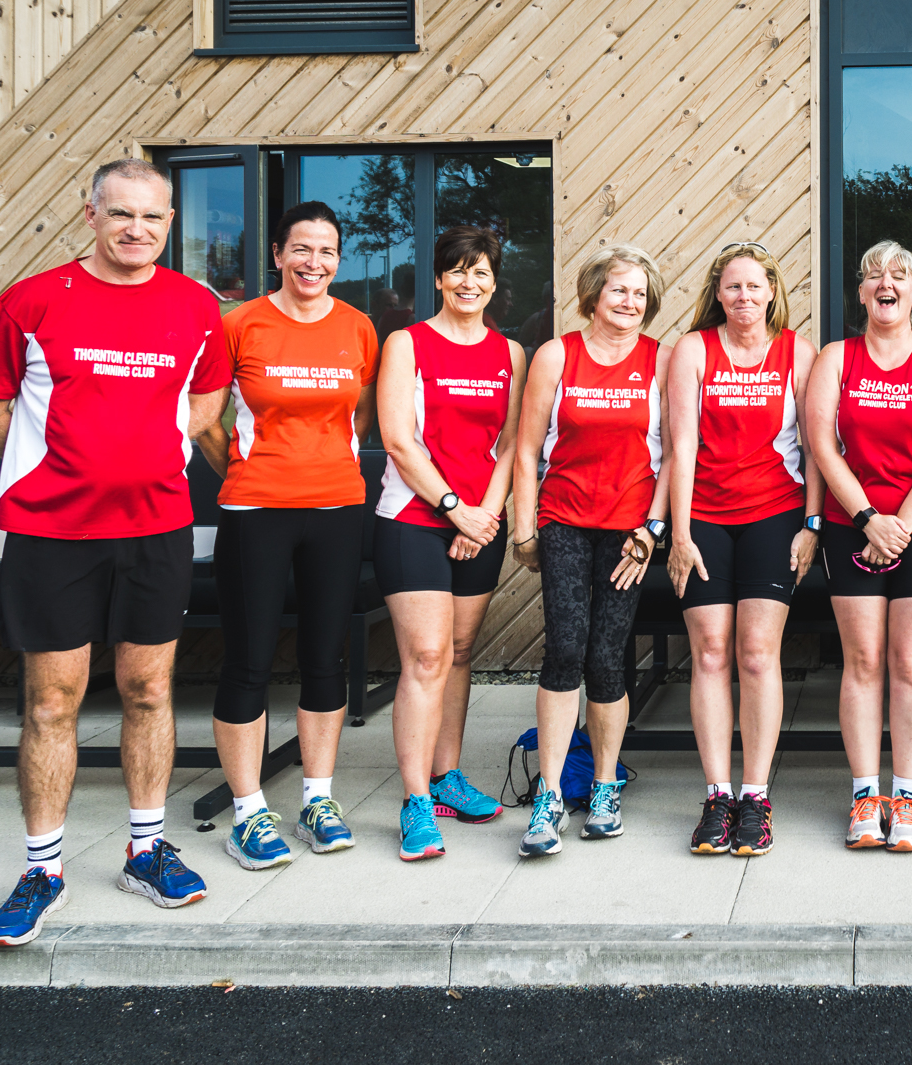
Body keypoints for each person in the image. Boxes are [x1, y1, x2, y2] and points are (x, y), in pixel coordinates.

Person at [0, 158, 229, 946]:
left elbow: (208, 395)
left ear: (169, 225)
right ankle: (43, 869)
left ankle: (146, 850)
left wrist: (161, 448)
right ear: (90, 215)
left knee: (147, 689)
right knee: (52, 701)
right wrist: (56, 467)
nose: (136, 231)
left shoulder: (194, 306)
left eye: (152, 218)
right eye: (120, 215)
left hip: (156, 529)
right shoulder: (33, 300)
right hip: (52, 533)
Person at [195, 201, 380, 870]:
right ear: (277, 255)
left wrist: (321, 467)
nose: (315, 263)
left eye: (327, 251)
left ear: (339, 259)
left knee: (325, 659)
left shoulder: (359, 329)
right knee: (248, 660)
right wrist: (249, 468)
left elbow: (358, 418)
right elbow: (205, 419)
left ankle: (318, 798)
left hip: (336, 507)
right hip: (255, 509)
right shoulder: (238, 323)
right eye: (301, 249)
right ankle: (248, 811)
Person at [804, 240, 912, 854]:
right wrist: (869, 517)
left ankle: (905, 796)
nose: (885, 282)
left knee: (908, 662)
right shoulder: (836, 357)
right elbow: (823, 446)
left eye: (899, 274)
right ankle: (863, 795)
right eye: (874, 274)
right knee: (864, 661)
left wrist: (897, 524)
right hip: (855, 522)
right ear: (860, 291)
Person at [510, 243, 673, 857]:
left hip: (630, 531)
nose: (629, 302)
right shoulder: (557, 355)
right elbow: (527, 450)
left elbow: (677, 453)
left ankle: (604, 786)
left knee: (607, 657)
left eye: (639, 293)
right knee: (565, 649)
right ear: (594, 295)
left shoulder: (661, 361)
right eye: (618, 290)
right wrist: (524, 530)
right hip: (566, 522)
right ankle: (549, 795)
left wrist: (652, 531)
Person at [374, 226, 524, 861]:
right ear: (438, 279)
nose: (470, 283)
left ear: (494, 282)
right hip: (414, 516)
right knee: (428, 657)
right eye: (458, 271)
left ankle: (447, 777)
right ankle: (414, 801)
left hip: (479, 519)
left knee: (461, 652)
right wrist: (455, 510)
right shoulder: (406, 344)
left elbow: (514, 443)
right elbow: (399, 442)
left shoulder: (510, 353)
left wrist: (485, 517)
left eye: (482, 272)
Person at [667, 242, 821, 857]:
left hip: (775, 516)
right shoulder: (692, 350)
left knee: (757, 655)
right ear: (717, 293)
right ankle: (716, 794)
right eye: (733, 287)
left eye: (755, 287)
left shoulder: (796, 352)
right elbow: (680, 446)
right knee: (709, 654)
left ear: (772, 293)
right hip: (704, 516)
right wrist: (677, 534)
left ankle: (754, 795)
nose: (744, 298)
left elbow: (815, 446)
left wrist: (812, 523)